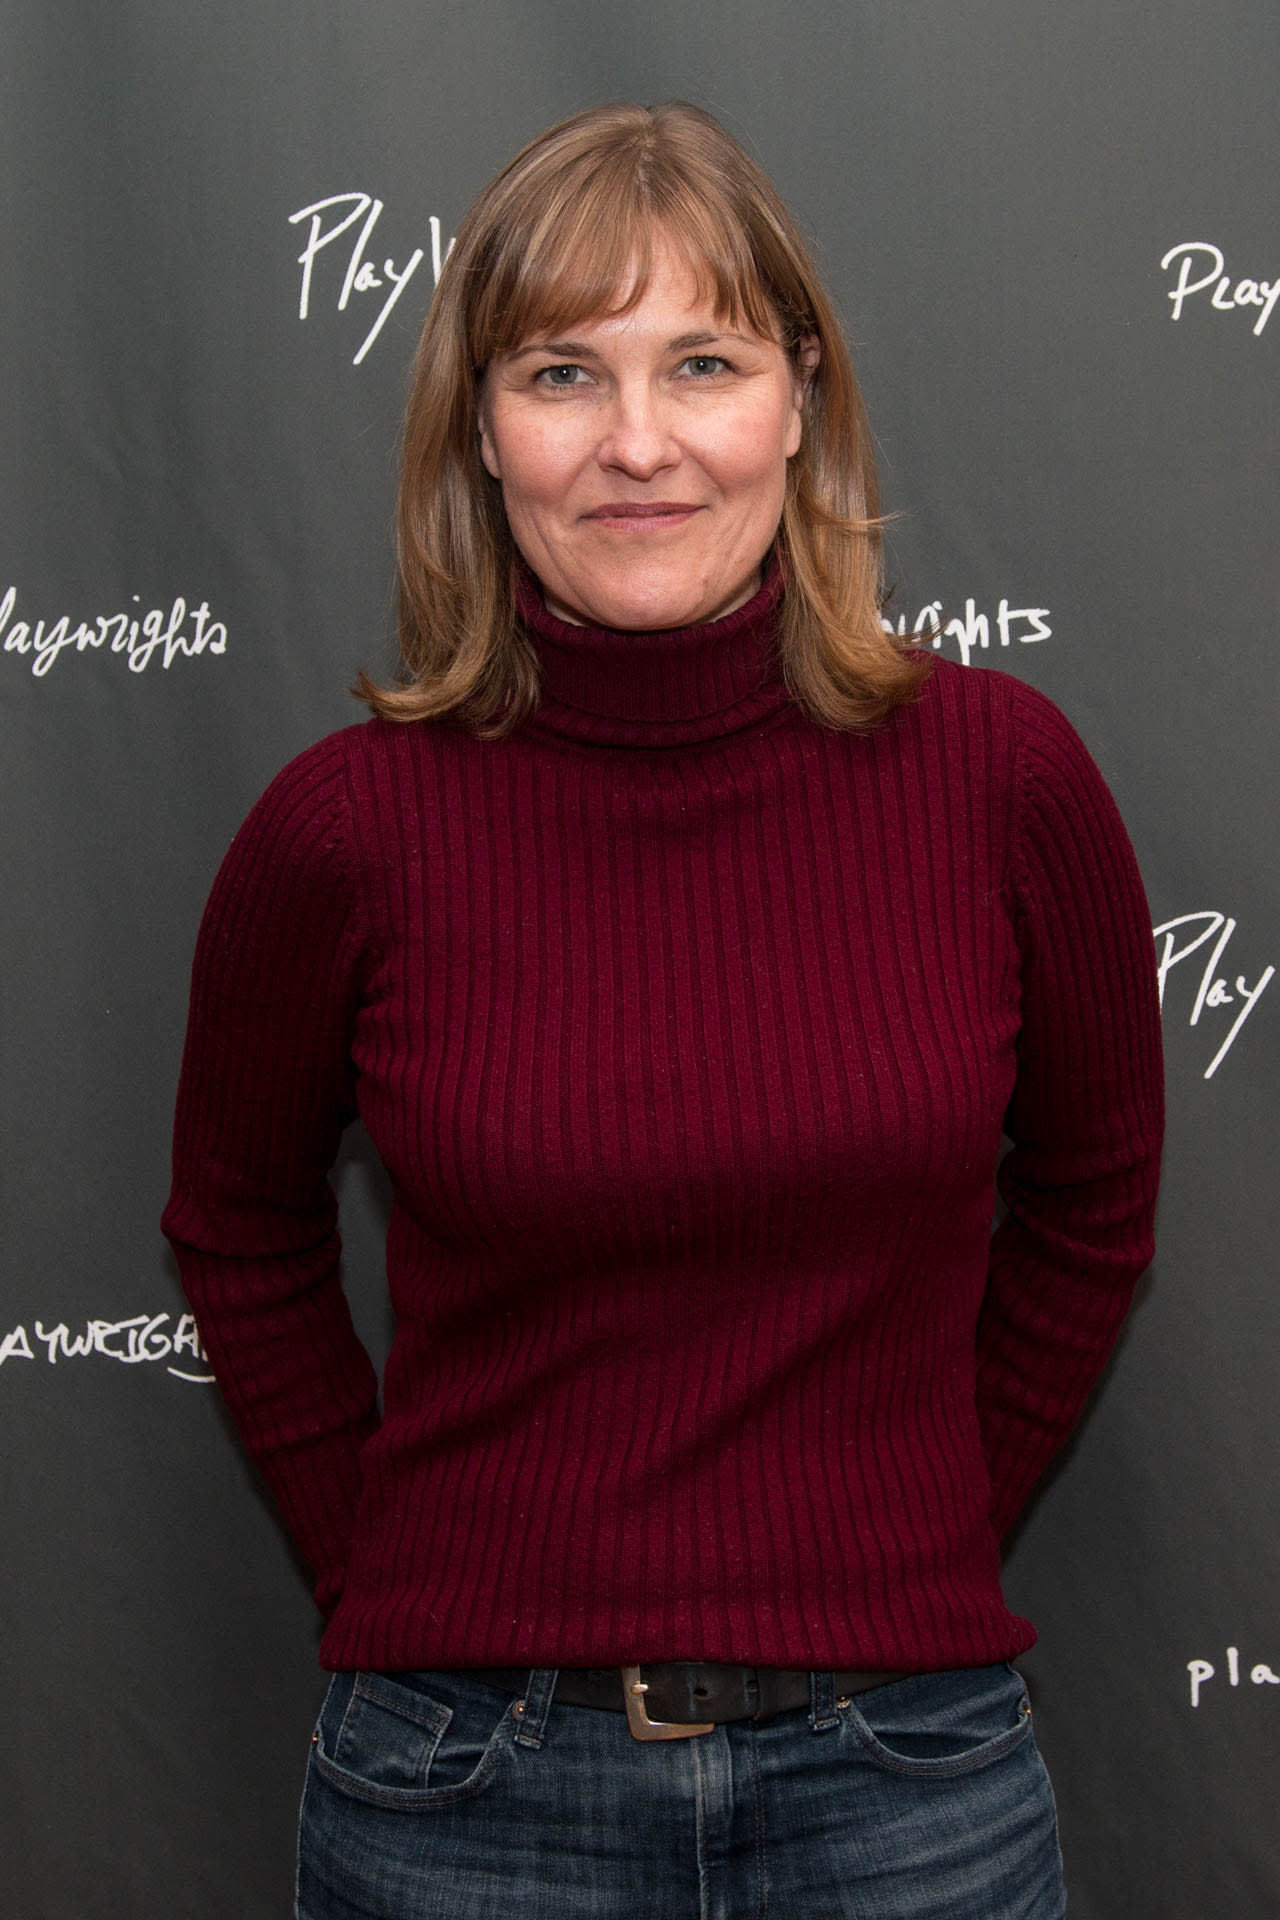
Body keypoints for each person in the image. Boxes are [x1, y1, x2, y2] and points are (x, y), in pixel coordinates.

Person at [163, 101, 1164, 1919]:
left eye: (702, 363)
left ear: (798, 398)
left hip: (911, 1789)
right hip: (461, 1801)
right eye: (563, 373)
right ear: (482, 428)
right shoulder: (343, 831)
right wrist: (391, 1570)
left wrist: (915, 1542)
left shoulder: (1006, 783)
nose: (638, 443)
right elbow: (236, 1225)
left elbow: (1095, 1207)